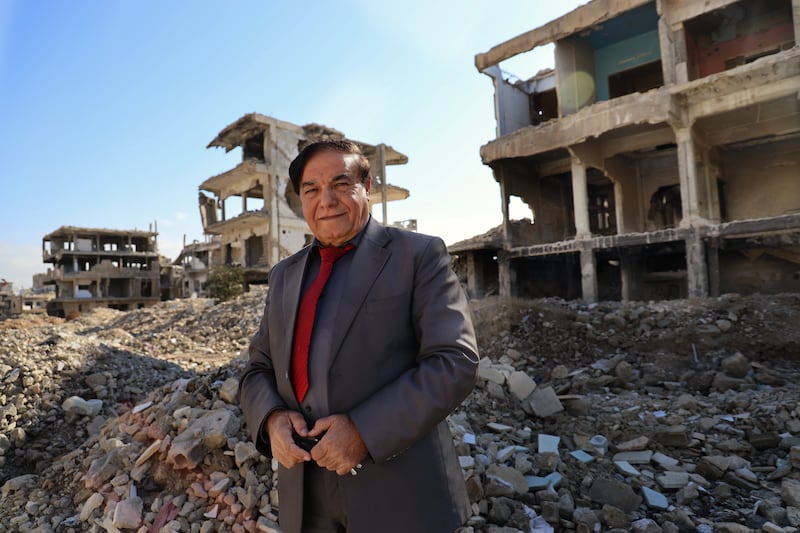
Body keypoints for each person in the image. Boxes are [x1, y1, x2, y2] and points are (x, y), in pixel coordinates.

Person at [239, 139, 480, 533]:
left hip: (398, 492)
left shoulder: (417, 256)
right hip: (305, 494)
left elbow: (454, 361)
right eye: (311, 190)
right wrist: (271, 419)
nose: (327, 200)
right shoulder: (284, 275)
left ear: (367, 188)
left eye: (341, 184)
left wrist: (364, 432)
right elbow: (258, 368)